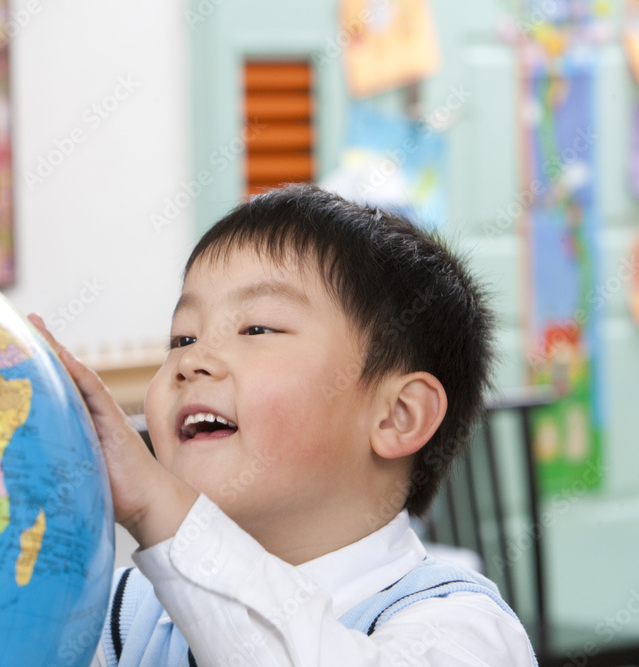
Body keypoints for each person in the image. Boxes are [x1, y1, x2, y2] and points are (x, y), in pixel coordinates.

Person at [29, 184, 538, 666]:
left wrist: (159, 507)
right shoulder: (121, 613)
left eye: (257, 328)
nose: (193, 361)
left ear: (398, 416)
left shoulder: (461, 630)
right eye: (183, 338)